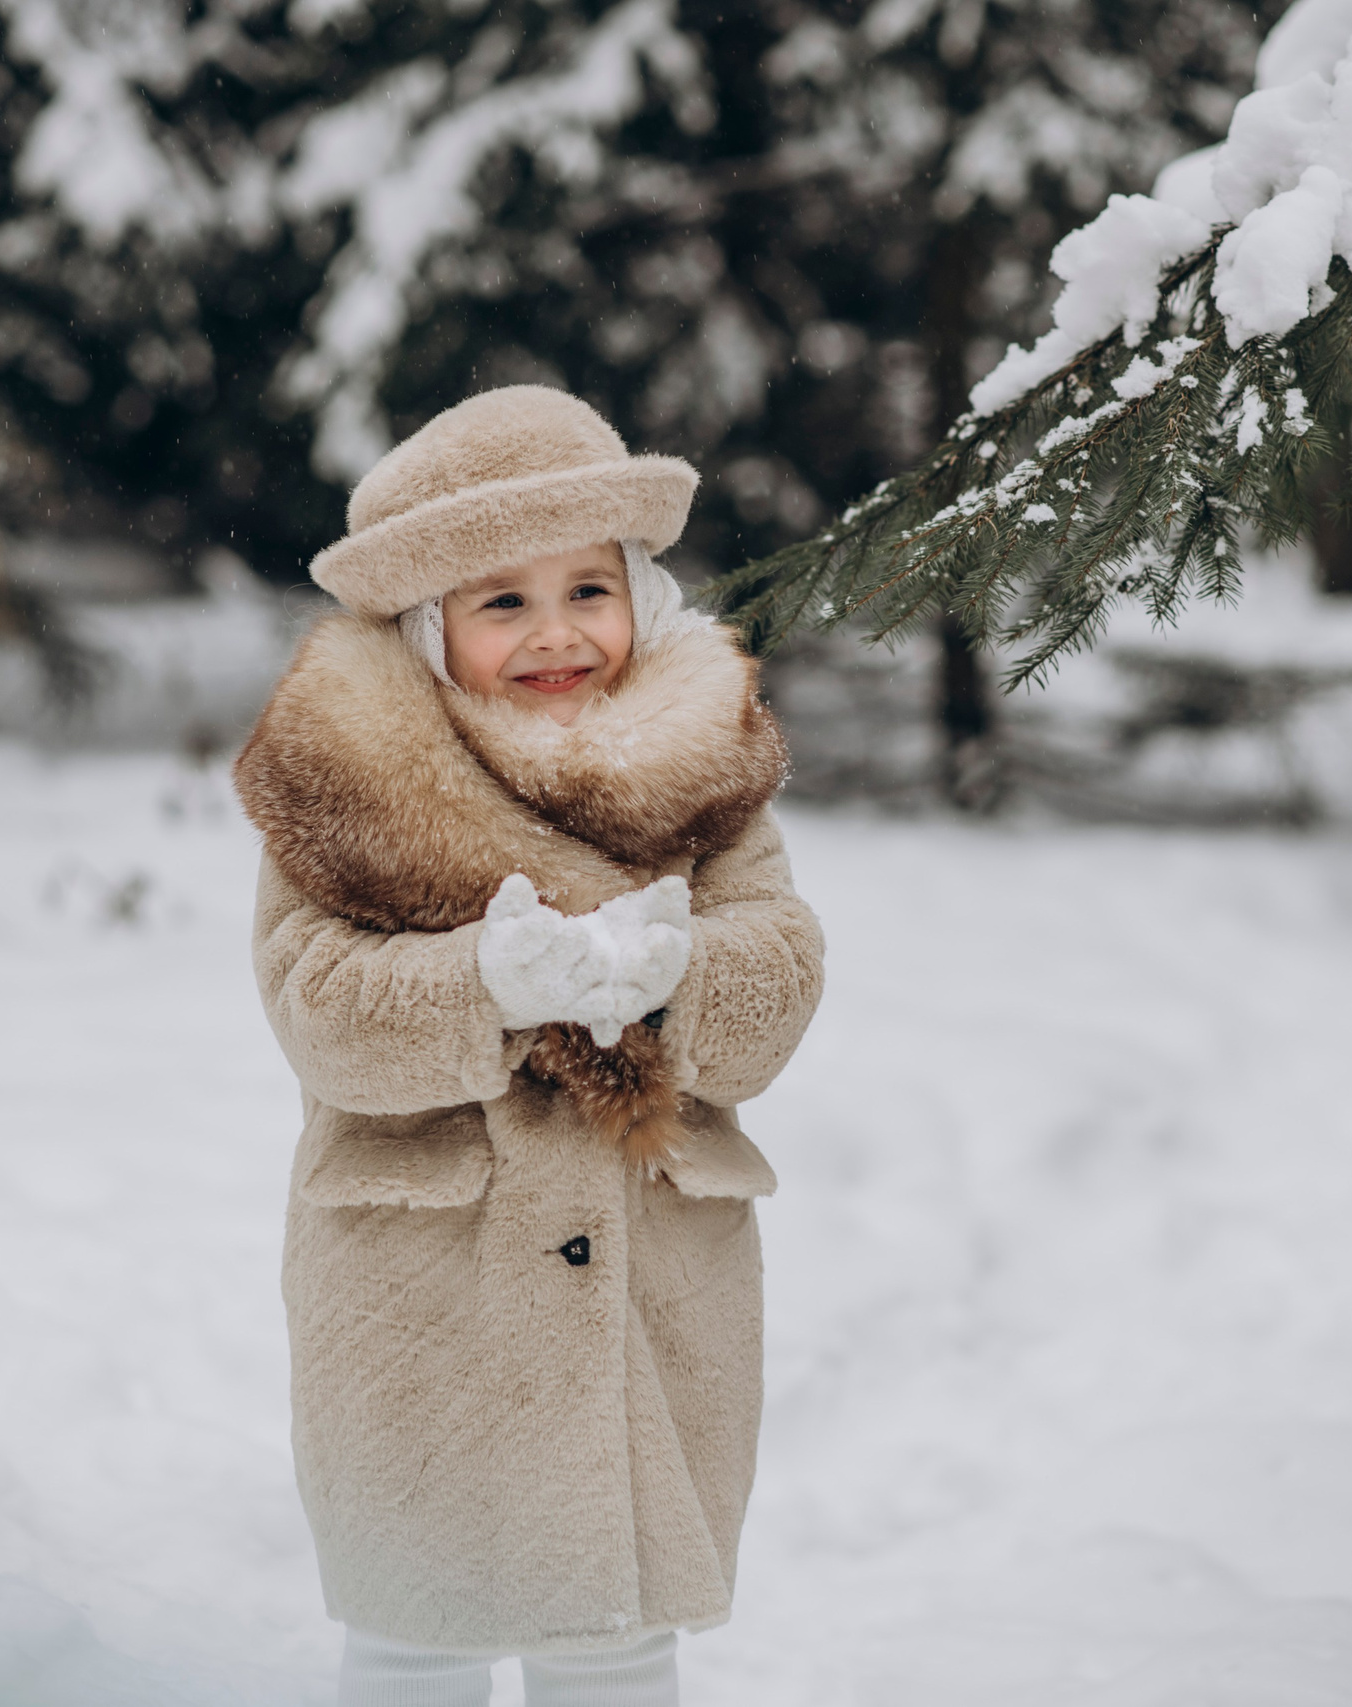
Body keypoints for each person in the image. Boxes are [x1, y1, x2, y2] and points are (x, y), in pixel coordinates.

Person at [232, 386, 825, 1707]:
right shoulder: (351, 788)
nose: (557, 633)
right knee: (418, 1630)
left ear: (639, 597)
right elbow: (316, 1003)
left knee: (617, 1634)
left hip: (647, 1285)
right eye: (503, 601)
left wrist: (682, 976)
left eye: (588, 591)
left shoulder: (703, 770)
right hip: (427, 1296)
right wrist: (481, 983)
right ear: (428, 624)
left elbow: (781, 969)